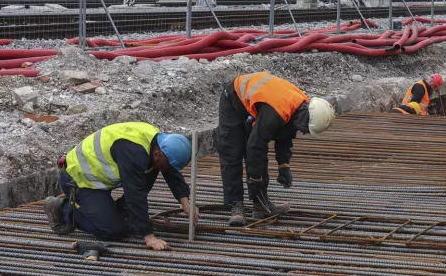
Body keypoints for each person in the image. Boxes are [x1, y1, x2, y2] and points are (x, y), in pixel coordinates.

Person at [42, 123, 194, 251]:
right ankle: (63, 209)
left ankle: (119, 213)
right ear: (157, 153)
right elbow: (135, 194)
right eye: (168, 163)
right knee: (113, 230)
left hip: (100, 179)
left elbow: (170, 171)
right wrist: (149, 237)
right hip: (80, 180)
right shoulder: (134, 153)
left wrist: (186, 203)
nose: (168, 168)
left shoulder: (158, 142)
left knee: (155, 169)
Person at [218, 72, 336, 226]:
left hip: (259, 102)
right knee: (232, 151)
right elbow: (256, 146)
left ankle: (260, 204)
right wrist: (255, 179)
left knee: (257, 151)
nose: (305, 132)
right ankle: (236, 205)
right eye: (306, 129)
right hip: (234, 98)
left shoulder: (301, 106)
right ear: (306, 119)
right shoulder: (275, 112)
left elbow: (285, 134)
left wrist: (284, 165)